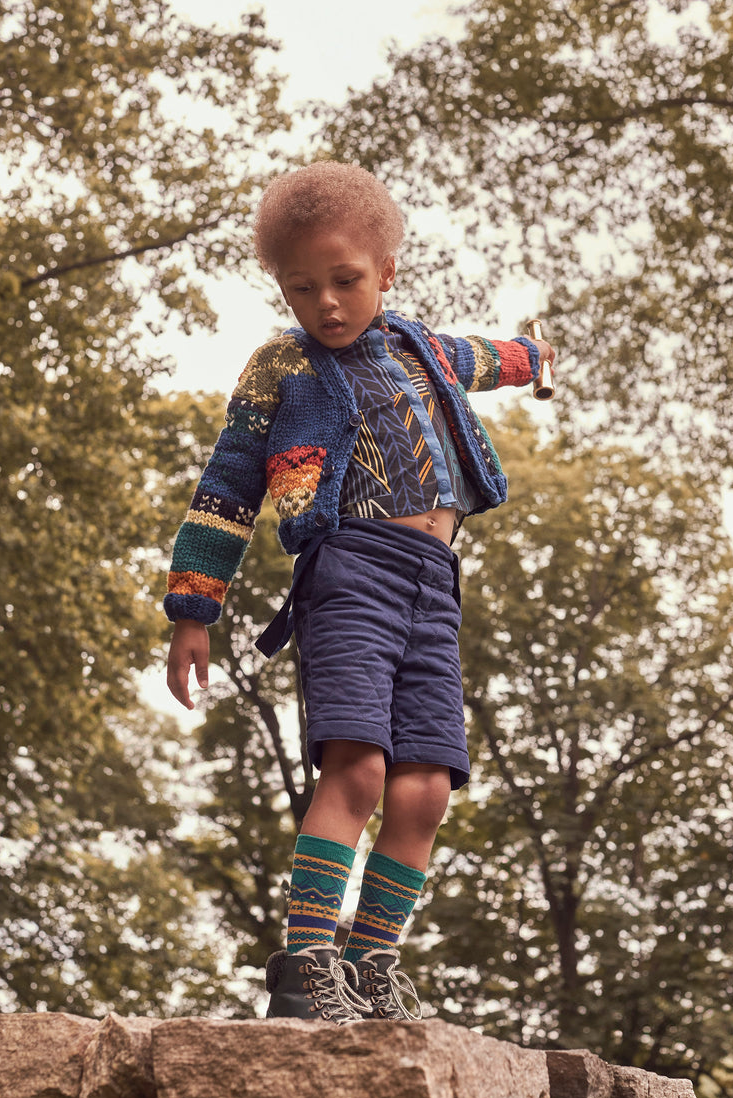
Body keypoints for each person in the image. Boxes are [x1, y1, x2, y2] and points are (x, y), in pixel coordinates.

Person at [165, 161, 555, 1024]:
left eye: (345, 281)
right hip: (350, 570)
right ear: (282, 288)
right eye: (302, 288)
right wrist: (194, 607)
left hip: (434, 586)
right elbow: (227, 484)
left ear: (386, 273)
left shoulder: (423, 349)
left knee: (425, 791)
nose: (327, 305)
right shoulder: (282, 368)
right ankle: (307, 963)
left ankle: (370, 966)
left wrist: (534, 358)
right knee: (361, 767)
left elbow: (487, 357)